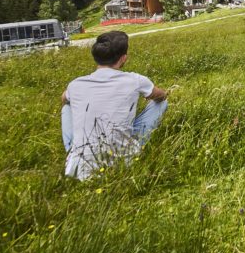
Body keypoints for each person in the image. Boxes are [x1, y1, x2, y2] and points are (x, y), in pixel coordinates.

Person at [61, 31, 168, 180]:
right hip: (123, 161)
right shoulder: (136, 80)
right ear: (123, 58)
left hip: (83, 169)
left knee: (67, 107)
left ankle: (74, 153)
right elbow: (162, 95)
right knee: (161, 103)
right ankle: (129, 144)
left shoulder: (75, 84)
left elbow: (64, 99)